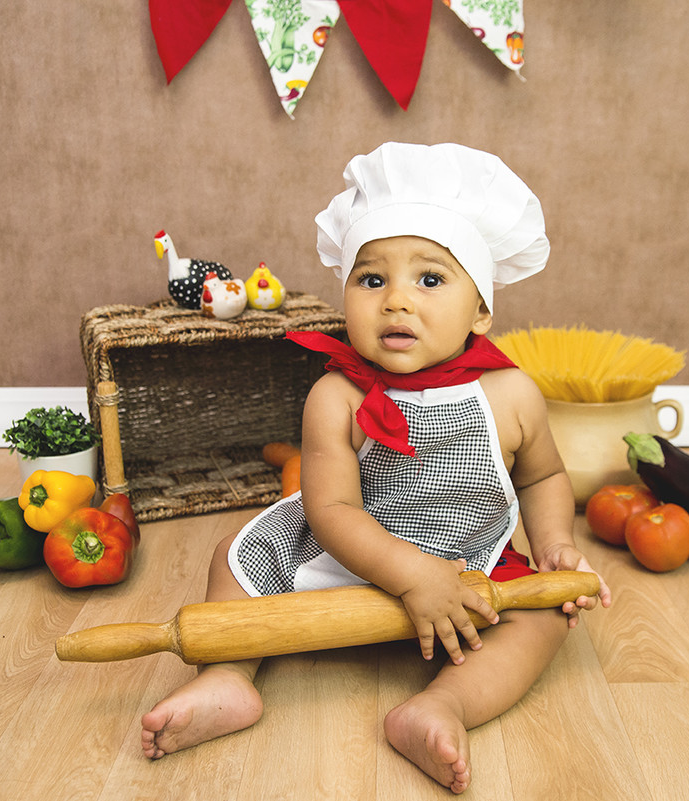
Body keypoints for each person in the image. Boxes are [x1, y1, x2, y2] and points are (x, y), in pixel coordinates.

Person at [141, 142, 611, 794]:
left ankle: (443, 704)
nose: (396, 301)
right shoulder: (337, 395)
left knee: (544, 618)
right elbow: (329, 512)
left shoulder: (511, 395)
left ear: (481, 310)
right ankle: (227, 677)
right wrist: (410, 572)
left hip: (464, 567)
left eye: (429, 279)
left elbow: (541, 478)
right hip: (342, 564)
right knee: (234, 557)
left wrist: (557, 545)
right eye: (371, 279)